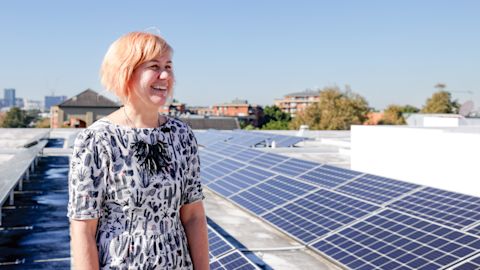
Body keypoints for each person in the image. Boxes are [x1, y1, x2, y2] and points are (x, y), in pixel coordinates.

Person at [67, 31, 209, 270]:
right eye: (154, 66)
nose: (165, 75)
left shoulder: (181, 135)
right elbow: (83, 228)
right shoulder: (97, 139)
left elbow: (193, 215)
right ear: (126, 72)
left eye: (169, 66)